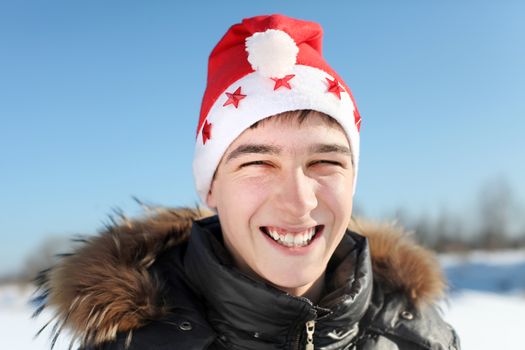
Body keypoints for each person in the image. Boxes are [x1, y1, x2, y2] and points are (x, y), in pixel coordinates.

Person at [34, 14, 460, 350]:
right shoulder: (133, 344)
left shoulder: (420, 336)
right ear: (212, 187)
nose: (298, 202)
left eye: (324, 161)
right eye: (258, 164)